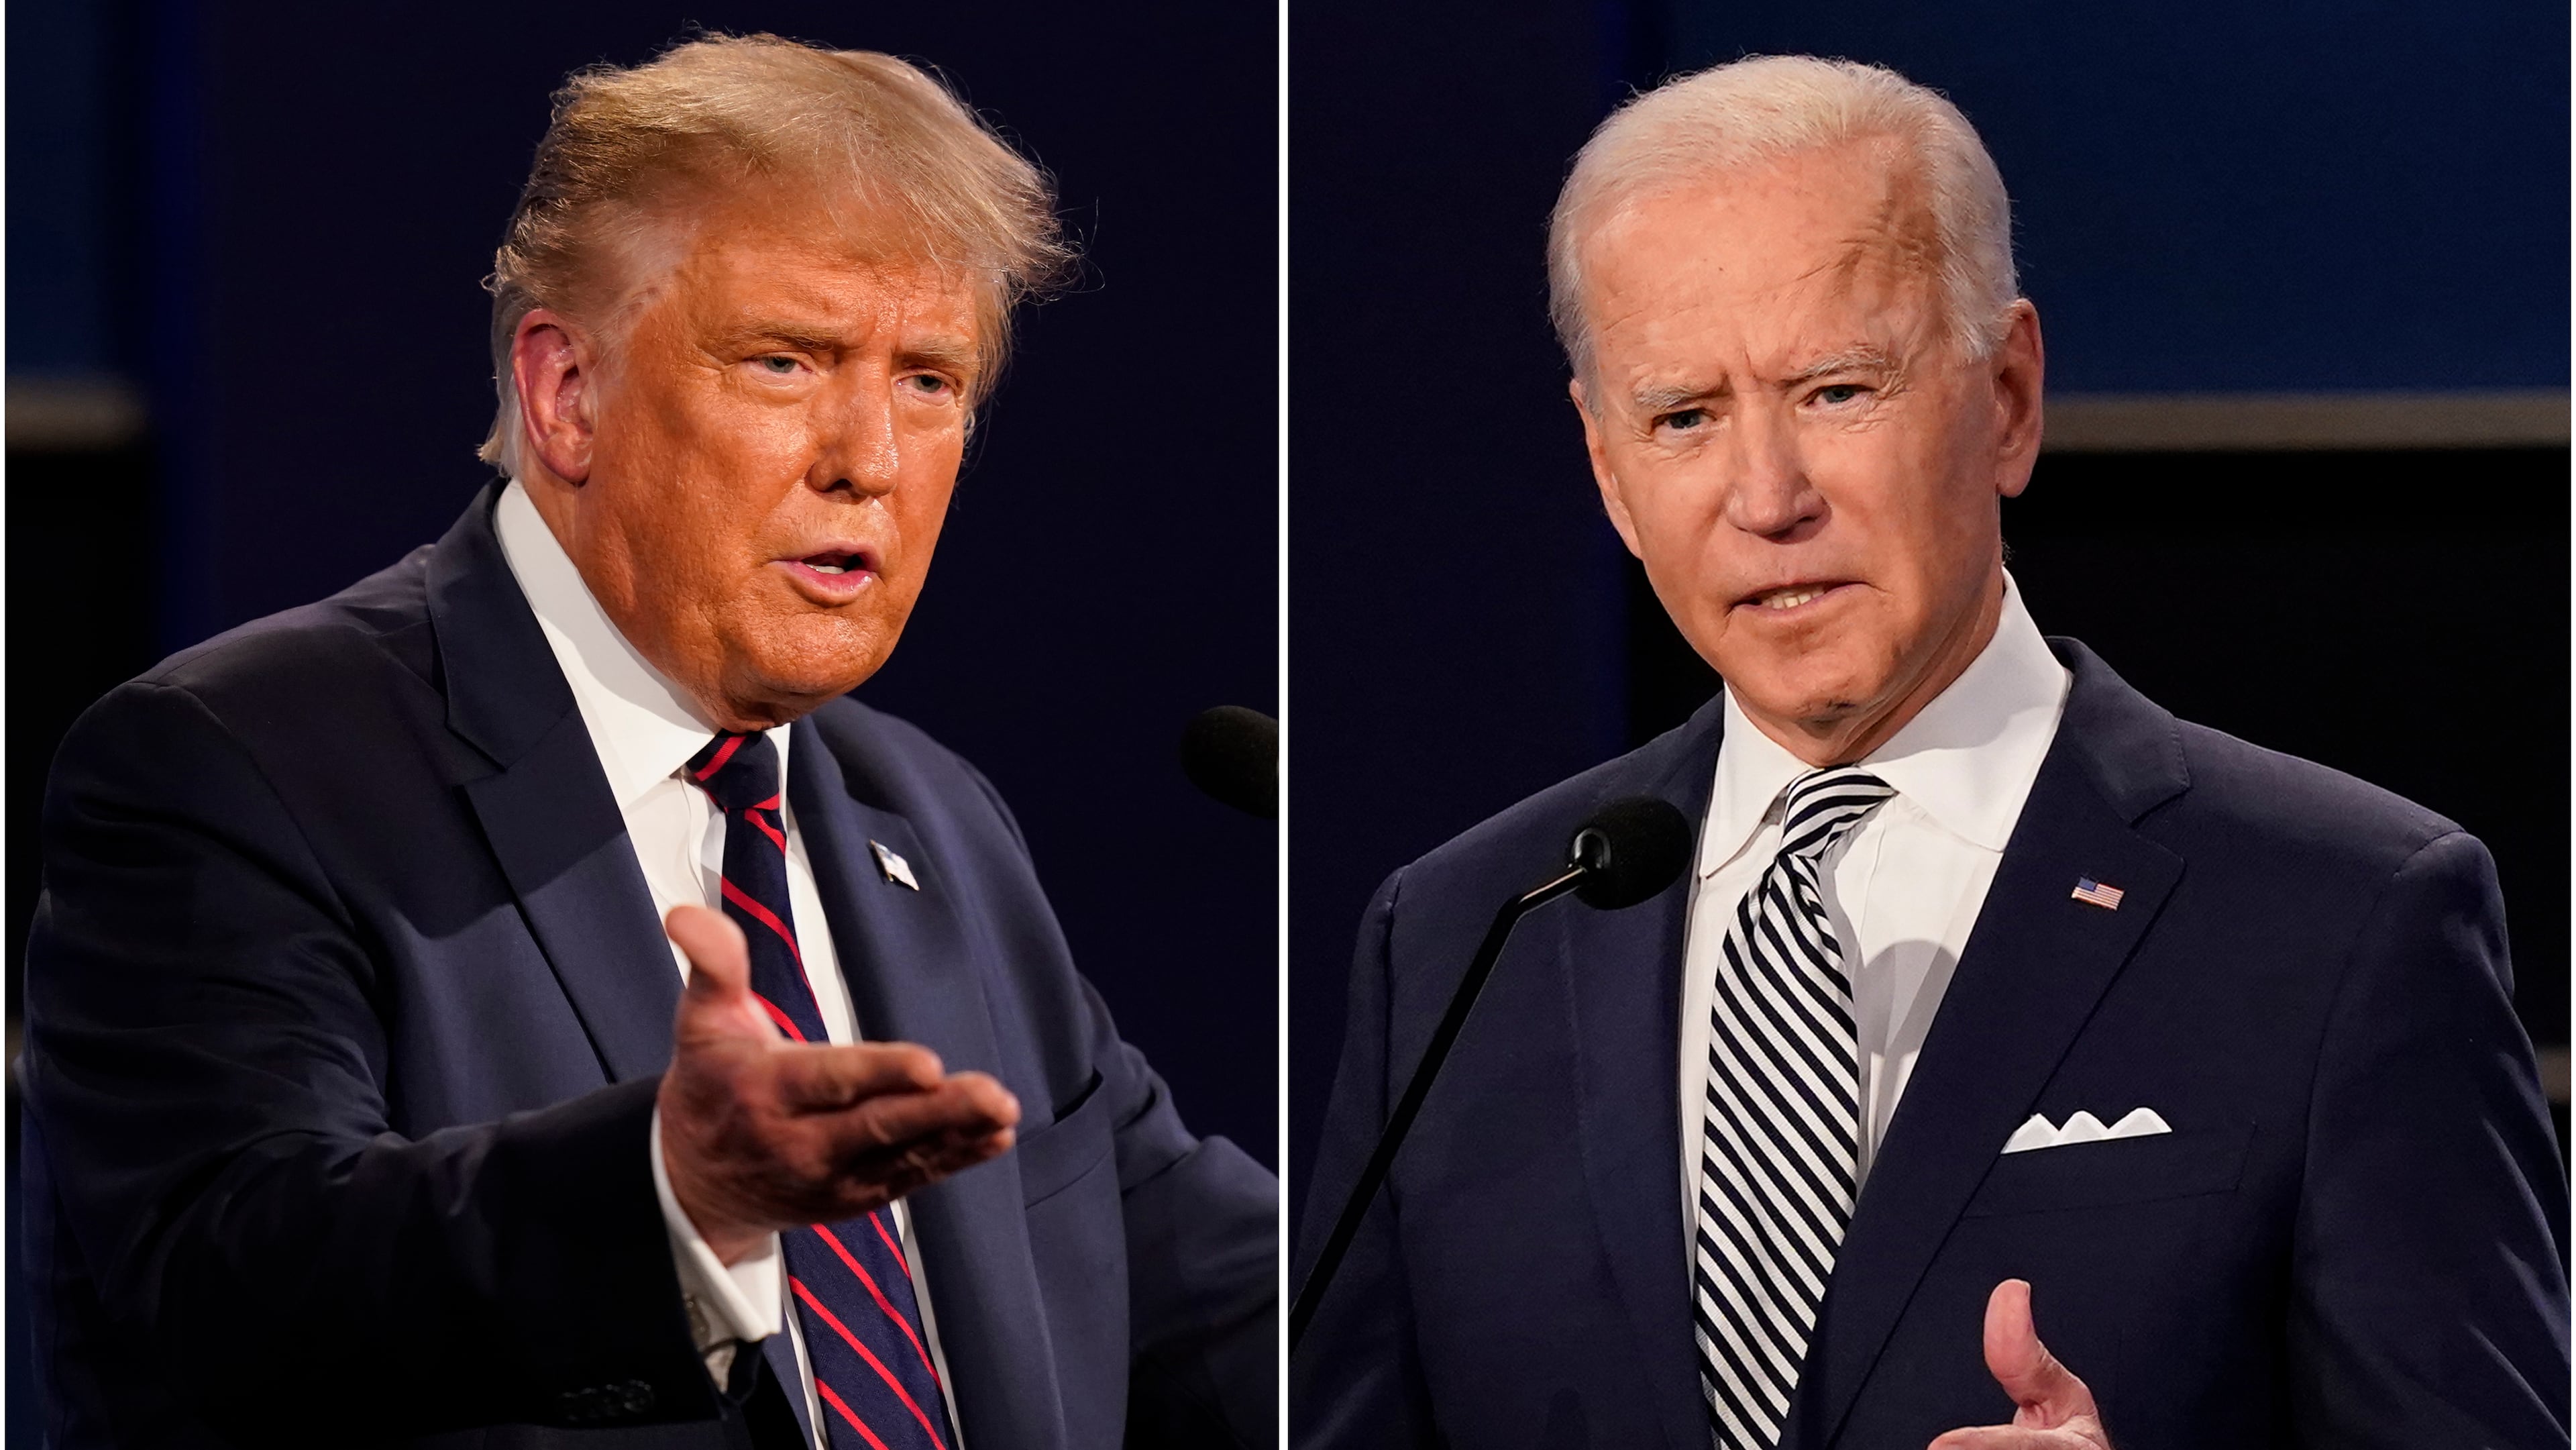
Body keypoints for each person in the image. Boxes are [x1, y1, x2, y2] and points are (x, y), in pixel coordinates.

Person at [1291, 54, 2566, 1450]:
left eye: (1837, 390)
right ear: (1609, 471)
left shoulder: (2343, 914)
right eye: (1685, 418)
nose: (1765, 497)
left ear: (2010, 396)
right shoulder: (1464, 936)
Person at [22, 34, 1275, 1450]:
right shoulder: (239, 766)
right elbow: (228, 1286)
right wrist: (675, 1196)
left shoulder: (929, 816)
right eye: (786, 359)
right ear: (566, 394)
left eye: (929, 379)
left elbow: (1209, 1293)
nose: (868, 452)